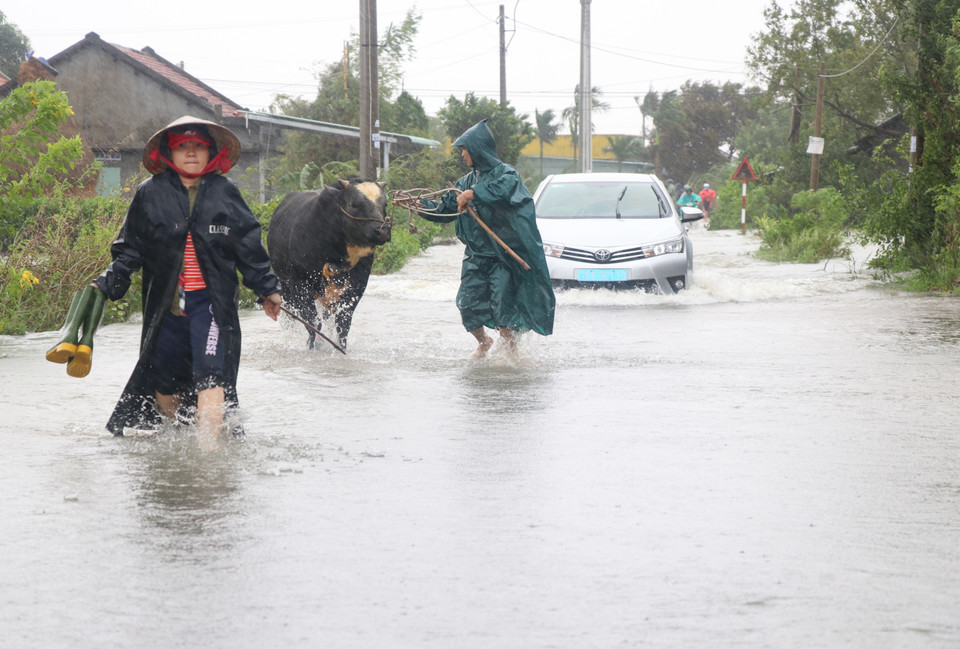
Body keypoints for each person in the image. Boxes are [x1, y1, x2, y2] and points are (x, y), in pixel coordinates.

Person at [91, 115, 282, 440]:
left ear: (211, 153)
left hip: (211, 304)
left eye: (198, 146)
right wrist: (106, 284)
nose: (191, 153)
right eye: (183, 147)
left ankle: (209, 460)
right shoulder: (149, 194)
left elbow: (248, 244)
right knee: (163, 380)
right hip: (167, 304)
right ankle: (177, 435)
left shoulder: (225, 192)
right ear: (169, 153)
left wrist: (268, 289)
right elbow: (129, 250)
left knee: (212, 376)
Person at [413, 119, 555, 358]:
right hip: (476, 256)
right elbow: (446, 208)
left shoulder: (507, 174)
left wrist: (474, 194)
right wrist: (421, 206)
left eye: (465, 150)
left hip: (501, 256)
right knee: (466, 304)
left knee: (503, 306)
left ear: (478, 148)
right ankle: (483, 342)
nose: (463, 155)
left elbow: (502, 192)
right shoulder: (465, 182)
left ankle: (511, 354)